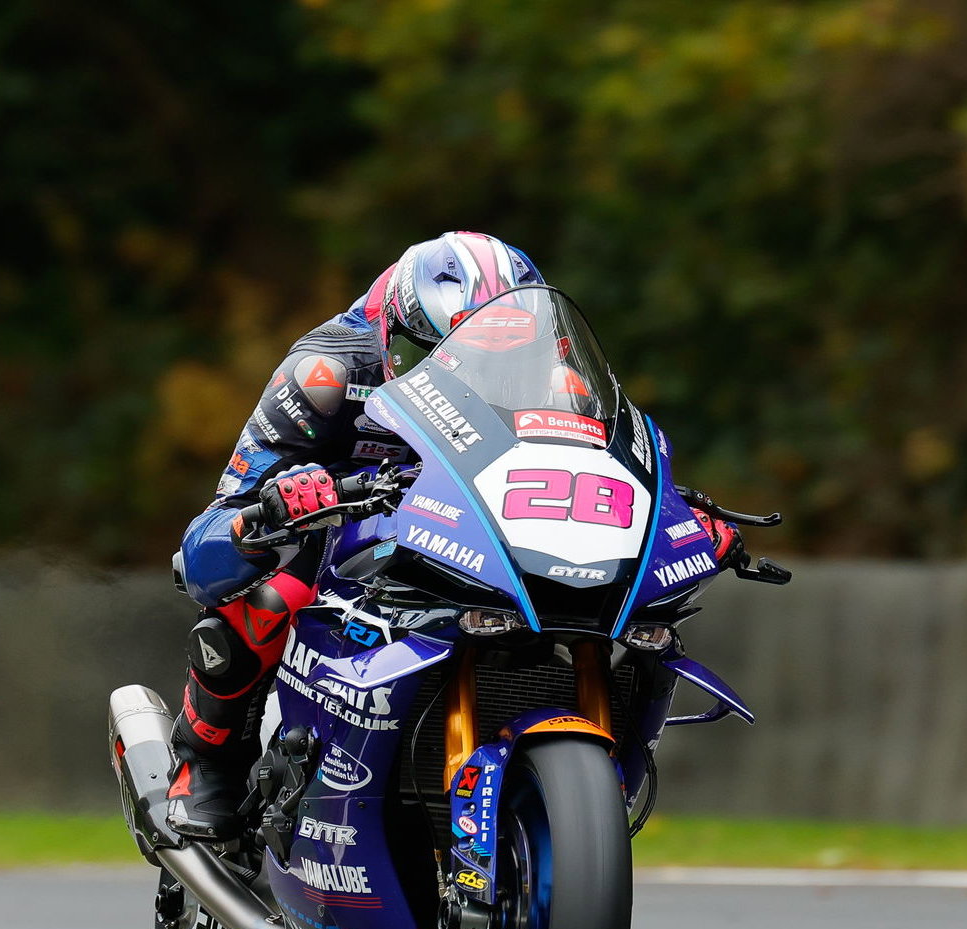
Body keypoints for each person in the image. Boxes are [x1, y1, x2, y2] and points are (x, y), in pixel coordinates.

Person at [167, 230, 741, 839]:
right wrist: (275, 505)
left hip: (476, 541)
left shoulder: (561, 384)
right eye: (439, 356)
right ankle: (205, 761)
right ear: (394, 335)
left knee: (638, 620)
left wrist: (678, 520)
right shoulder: (324, 375)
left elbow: (599, 477)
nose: (469, 373)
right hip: (349, 538)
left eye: (502, 358)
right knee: (271, 594)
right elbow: (211, 539)